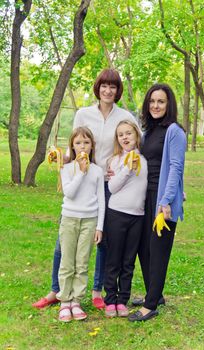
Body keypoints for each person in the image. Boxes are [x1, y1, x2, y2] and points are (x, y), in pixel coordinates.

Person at [32, 68, 138, 310]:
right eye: (104, 85)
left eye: (113, 86)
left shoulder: (125, 116)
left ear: (118, 90)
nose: (108, 90)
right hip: (81, 179)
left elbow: (132, 143)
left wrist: (118, 164)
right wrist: (61, 158)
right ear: (98, 88)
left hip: (109, 184)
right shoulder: (83, 113)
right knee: (64, 240)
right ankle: (56, 290)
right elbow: (74, 144)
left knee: (102, 239)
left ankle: (96, 290)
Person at [128, 83, 186, 322]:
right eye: (152, 101)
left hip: (163, 201)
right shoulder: (149, 131)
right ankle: (156, 293)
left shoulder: (175, 131)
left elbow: (176, 168)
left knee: (159, 251)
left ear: (169, 104)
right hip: (146, 196)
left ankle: (150, 305)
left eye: (161, 101)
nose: (155, 105)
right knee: (145, 248)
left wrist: (166, 200)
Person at [56, 127, 105, 322]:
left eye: (86, 142)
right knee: (67, 262)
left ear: (92, 146)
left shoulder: (98, 171)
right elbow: (69, 193)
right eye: (78, 143)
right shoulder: (66, 168)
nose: (82, 146)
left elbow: (101, 200)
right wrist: (81, 172)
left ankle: (76, 300)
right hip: (69, 219)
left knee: (82, 262)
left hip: (90, 221)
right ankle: (64, 301)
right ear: (72, 146)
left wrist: (99, 226)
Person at [104, 120, 147, 317]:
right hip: (117, 214)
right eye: (121, 134)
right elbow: (112, 188)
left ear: (137, 135)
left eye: (128, 133)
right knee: (114, 259)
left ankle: (123, 300)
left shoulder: (145, 160)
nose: (125, 137)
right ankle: (110, 299)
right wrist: (127, 167)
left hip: (137, 216)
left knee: (128, 261)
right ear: (117, 139)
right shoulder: (116, 161)